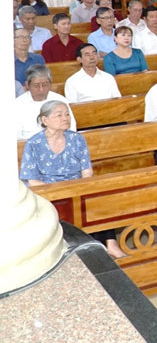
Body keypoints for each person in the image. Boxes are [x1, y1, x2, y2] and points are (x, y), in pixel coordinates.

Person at [19, 100, 125, 258]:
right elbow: (33, 181)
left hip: (77, 186)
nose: (65, 118)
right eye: (59, 115)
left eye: (67, 114)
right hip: (48, 191)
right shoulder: (34, 144)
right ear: (45, 120)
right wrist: (61, 191)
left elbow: (87, 171)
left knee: (99, 199)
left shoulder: (77, 139)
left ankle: (111, 244)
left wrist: (79, 188)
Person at [15, 65, 76, 140]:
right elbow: (16, 136)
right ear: (27, 85)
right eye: (36, 85)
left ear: (50, 83)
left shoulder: (60, 100)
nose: (41, 89)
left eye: (45, 85)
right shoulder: (17, 104)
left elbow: (72, 128)